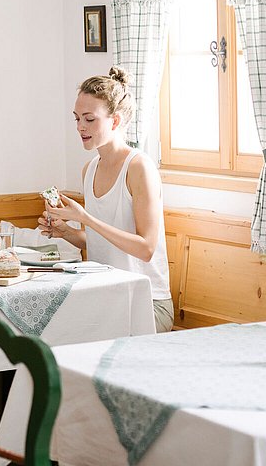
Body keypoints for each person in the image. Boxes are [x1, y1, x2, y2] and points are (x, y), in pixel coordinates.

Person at [40, 67, 173, 333]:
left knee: (70, 339)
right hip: (105, 296)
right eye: (77, 118)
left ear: (114, 121)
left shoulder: (139, 168)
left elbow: (145, 248)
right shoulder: (89, 170)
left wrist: (85, 218)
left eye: (89, 119)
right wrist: (66, 232)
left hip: (147, 302)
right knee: (46, 334)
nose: (80, 127)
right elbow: (101, 242)